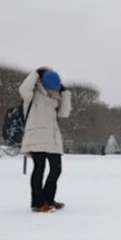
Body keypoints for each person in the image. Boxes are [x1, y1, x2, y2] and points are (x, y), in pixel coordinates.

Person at [18, 67, 72, 213]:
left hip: (52, 139)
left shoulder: (56, 97)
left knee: (56, 169)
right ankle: (37, 203)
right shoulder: (32, 94)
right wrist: (37, 72)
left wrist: (65, 93)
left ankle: (48, 199)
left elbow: (64, 113)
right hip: (36, 137)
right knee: (39, 169)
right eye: (51, 88)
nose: (52, 91)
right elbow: (23, 88)